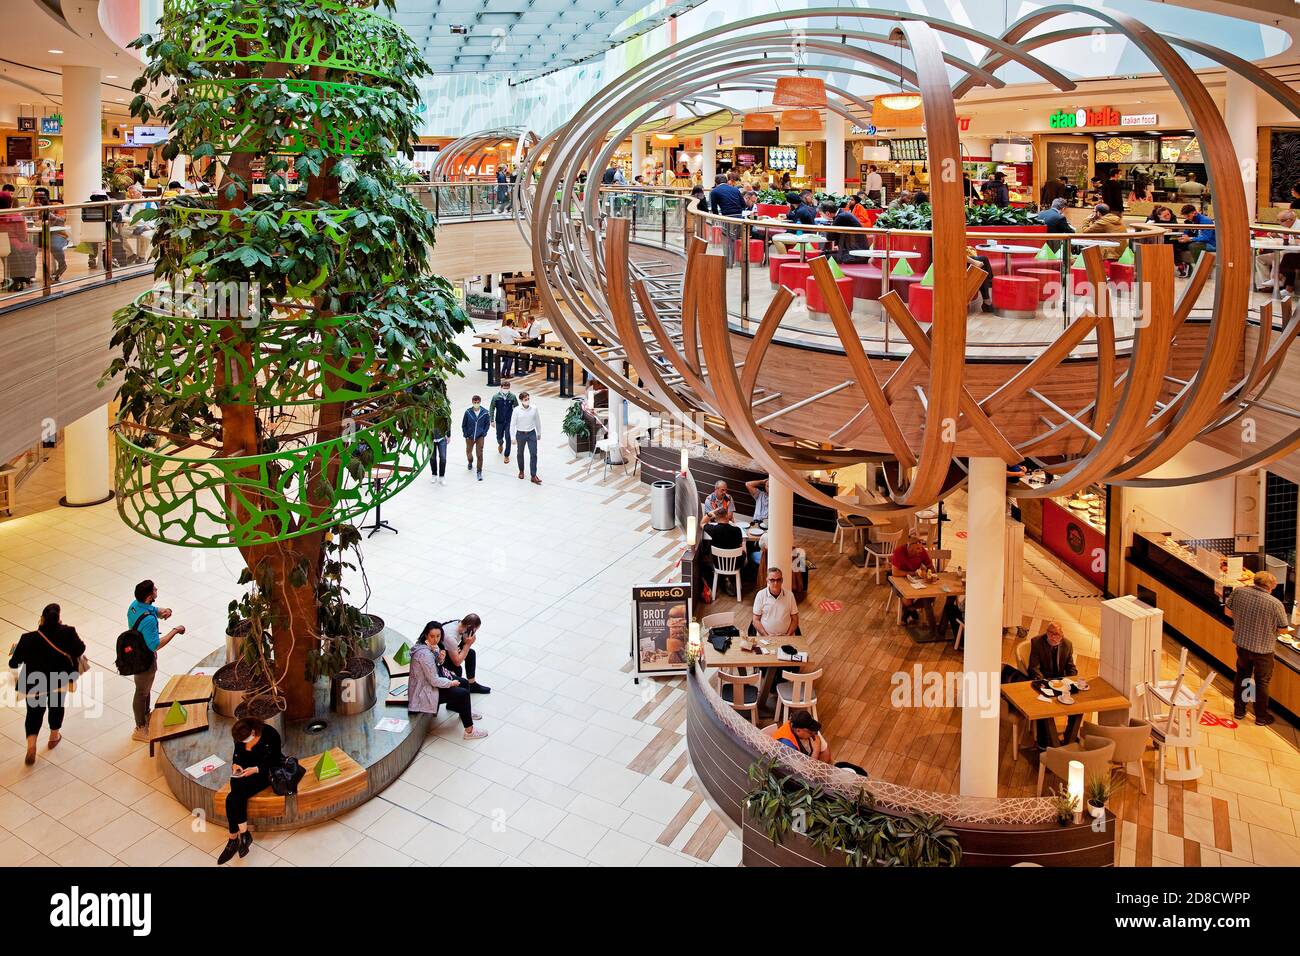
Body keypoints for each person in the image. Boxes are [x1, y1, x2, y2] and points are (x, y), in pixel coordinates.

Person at [8, 603, 85, 766]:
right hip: (59, 681)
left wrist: (17, 651)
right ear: (58, 618)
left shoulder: (27, 638)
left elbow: (14, 663)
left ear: (41, 619)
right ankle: (53, 737)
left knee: (33, 714)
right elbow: (80, 649)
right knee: (56, 707)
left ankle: (31, 746)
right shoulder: (68, 632)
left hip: (33, 683)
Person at [1224, 571, 1286, 726]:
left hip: (1242, 644)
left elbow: (1227, 612)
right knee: (1261, 682)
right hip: (1263, 650)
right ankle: (1260, 717)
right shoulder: (1275, 603)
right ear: (1270, 586)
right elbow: (1283, 629)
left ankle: (1239, 710)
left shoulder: (1239, 592)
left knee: (1243, 675)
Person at [218, 717, 283, 864]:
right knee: (235, 795)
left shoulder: (270, 734)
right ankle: (243, 835)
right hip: (244, 772)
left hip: (264, 772)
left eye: (247, 739)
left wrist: (256, 769)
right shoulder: (239, 737)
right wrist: (235, 765)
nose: (244, 742)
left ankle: (233, 840)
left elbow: (276, 759)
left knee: (232, 798)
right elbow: (237, 755)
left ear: (253, 731)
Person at [127, 579, 185, 741]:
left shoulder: (134, 605)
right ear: (148, 596)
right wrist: (175, 630)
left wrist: (163, 611)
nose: (156, 589)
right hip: (144, 660)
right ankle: (140, 727)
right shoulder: (149, 621)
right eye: (154, 589)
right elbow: (155, 645)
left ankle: (146, 716)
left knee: (144, 690)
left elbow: (150, 610)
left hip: (136, 654)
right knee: (141, 692)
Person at [408, 621, 487, 740]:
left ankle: (462, 710)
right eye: (432, 636)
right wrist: (451, 683)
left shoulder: (429, 646)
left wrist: (440, 658)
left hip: (430, 685)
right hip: (425, 693)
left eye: (438, 636)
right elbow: (434, 680)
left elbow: (434, 667)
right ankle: (469, 732)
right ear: (426, 635)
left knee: (464, 682)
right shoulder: (424, 654)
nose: (435, 639)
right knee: (463, 693)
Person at [1026, 621, 1080, 748]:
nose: (1055, 637)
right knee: (1043, 706)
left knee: (1077, 706)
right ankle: (1042, 742)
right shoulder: (1037, 642)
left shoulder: (1067, 644)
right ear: (1047, 633)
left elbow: (1071, 667)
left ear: (1062, 634)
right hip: (1043, 681)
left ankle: (1069, 738)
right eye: (1052, 634)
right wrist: (1045, 683)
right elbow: (1034, 668)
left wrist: (1070, 682)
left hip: (1061, 682)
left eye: (1058, 634)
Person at [439, 613, 490, 693]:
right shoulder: (450, 636)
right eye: (475, 630)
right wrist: (468, 644)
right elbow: (457, 662)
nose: (474, 633)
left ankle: (472, 684)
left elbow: (460, 643)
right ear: (470, 627)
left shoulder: (460, 624)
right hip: (438, 657)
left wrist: (464, 643)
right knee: (458, 669)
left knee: (471, 653)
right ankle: (455, 690)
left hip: (448, 649)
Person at [891, 536, 935, 625]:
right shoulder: (899, 551)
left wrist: (929, 573)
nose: (921, 551)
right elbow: (895, 573)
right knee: (908, 599)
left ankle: (909, 610)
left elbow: (930, 566)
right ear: (910, 548)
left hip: (915, 580)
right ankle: (910, 611)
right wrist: (913, 573)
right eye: (918, 549)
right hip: (899, 579)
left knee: (931, 597)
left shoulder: (922, 552)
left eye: (921, 548)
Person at [0, 193, 36, 290]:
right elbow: (23, 236)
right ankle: (26, 277)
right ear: (10, 202)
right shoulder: (15, 216)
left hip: (2, 246)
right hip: (13, 246)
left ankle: (12, 278)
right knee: (30, 248)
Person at [1255, 209, 1297, 290]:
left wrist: (1293, 239)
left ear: (1289, 220)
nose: (1279, 223)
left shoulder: (1298, 226)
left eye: (1281, 221)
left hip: (1293, 253)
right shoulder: (1286, 225)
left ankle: (1276, 281)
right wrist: (1274, 234)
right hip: (1285, 251)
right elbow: (1280, 234)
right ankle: (1266, 285)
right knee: (1259, 259)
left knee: (1276, 258)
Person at [767, 711, 832, 764]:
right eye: (810, 732)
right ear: (798, 731)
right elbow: (806, 773)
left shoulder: (796, 725)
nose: (813, 733)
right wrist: (816, 750)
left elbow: (826, 752)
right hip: (785, 769)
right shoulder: (788, 746)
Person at [30, 187, 66, 281]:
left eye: (41, 198)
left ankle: (62, 266)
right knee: (28, 248)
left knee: (54, 245)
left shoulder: (57, 205)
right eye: (36, 198)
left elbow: (62, 221)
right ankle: (30, 274)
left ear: (48, 197)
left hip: (58, 234)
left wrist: (50, 215)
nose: (38, 200)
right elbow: (27, 220)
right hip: (39, 235)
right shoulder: (32, 207)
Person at [752, 567, 799, 637]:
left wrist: (788, 636)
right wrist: (766, 636)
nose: (776, 583)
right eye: (772, 580)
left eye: (778, 580)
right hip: (765, 637)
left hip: (786, 636)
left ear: (782, 580)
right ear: (767, 580)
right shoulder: (760, 595)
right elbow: (755, 620)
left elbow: (795, 619)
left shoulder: (790, 595)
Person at [120, 182, 156, 263]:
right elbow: (122, 216)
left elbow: (155, 218)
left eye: (134, 193)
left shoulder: (150, 203)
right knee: (118, 234)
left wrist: (148, 226)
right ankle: (130, 254)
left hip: (146, 227)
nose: (132, 195)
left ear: (141, 192)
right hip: (131, 227)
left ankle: (141, 256)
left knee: (146, 236)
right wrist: (129, 220)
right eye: (130, 193)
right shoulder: (128, 204)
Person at [512, 390, 542, 484]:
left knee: (533, 453)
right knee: (520, 453)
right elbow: (512, 424)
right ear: (521, 400)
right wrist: (512, 437)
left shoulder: (534, 408)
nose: (527, 401)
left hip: (531, 434)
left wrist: (539, 432)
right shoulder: (516, 410)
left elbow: (537, 420)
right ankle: (521, 471)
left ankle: (533, 475)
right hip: (520, 434)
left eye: (528, 399)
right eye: (525, 399)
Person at [461, 395, 490, 481]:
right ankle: (470, 461)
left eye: (478, 402)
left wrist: (484, 433)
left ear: (480, 402)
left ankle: (479, 472)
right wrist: (466, 434)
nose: (476, 404)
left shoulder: (485, 412)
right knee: (468, 452)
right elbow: (464, 424)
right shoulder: (468, 412)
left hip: (480, 437)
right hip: (470, 436)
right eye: (475, 402)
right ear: (472, 402)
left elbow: (487, 424)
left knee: (480, 454)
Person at [490, 378, 519, 462]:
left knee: (508, 437)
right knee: (499, 437)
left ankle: (506, 455)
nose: (506, 389)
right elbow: (492, 408)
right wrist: (491, 420)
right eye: (504, 388)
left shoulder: (512, 396)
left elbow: (517, 408)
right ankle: (500, 443)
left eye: (507, 388)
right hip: (499, 420)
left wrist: (517, 419)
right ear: (501, 387)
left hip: (509, 421)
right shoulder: (496, 397)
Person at [428, 402, 449, 485]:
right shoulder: (427, 413)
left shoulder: (442, 411)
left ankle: (442, 476)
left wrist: (448, 435)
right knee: (432, 458)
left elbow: (448, 422)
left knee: (443, 458)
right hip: (431, 439)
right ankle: (434, 474)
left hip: (441, 438)